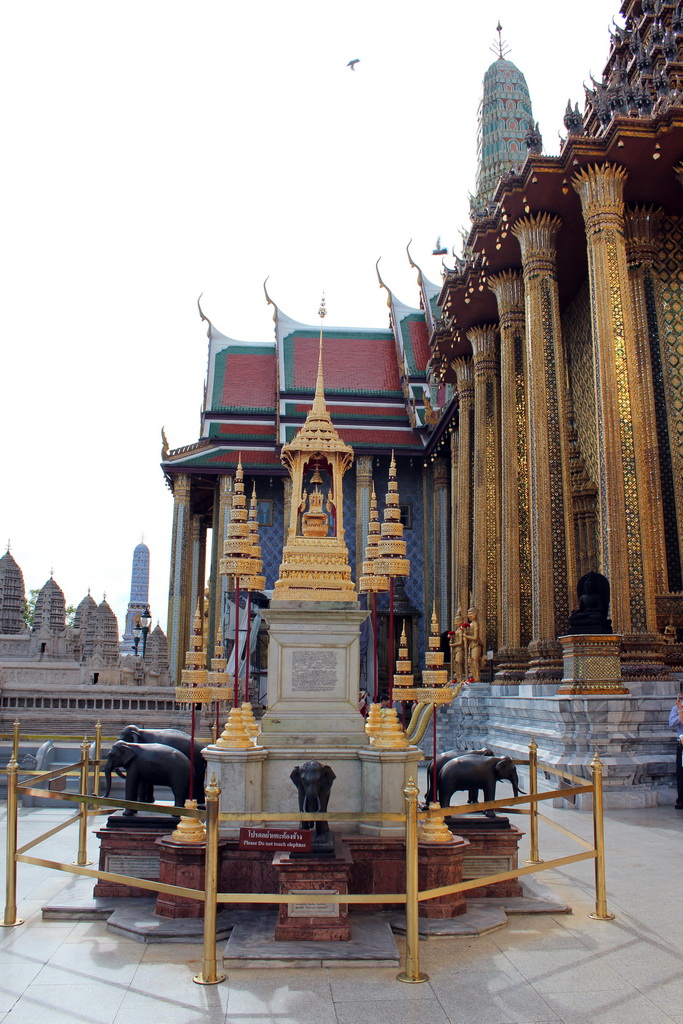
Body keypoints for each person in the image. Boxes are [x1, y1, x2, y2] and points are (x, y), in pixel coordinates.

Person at [669, 692, 683, 810]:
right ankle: (681, 799)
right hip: (682, 743)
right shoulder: (676, 708)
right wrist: (680, 711)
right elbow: (672, 723)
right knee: (682, 773)